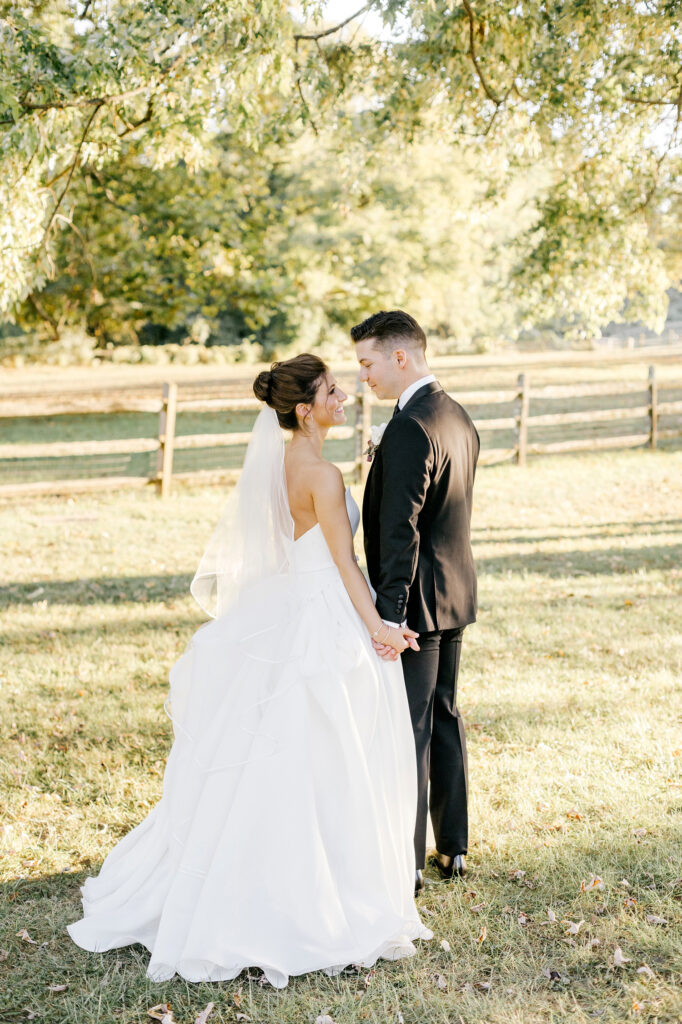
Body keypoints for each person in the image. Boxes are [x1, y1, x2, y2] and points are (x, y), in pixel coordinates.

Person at [67, 353, 432, 988]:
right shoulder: (319, 471)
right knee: (329, 750)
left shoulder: (285, 462)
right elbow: (345, 566)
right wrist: (378, 626)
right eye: (331, 391)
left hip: (295, 602)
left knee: (288, 748)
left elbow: (300, 542)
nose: (343, 395)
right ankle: (316, 896)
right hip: (325, 612)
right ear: (304, 408)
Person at [352, 311, 479, 892]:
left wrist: (389, 615)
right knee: (444, 714)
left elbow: (400, 532)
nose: (363, 377)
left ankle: (406, 862)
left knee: (412, 729)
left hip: (417, 608)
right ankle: (452, 847)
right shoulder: (455, 414)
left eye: (367, 362)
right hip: (455, 593)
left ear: (400, 357)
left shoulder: (409, 427)